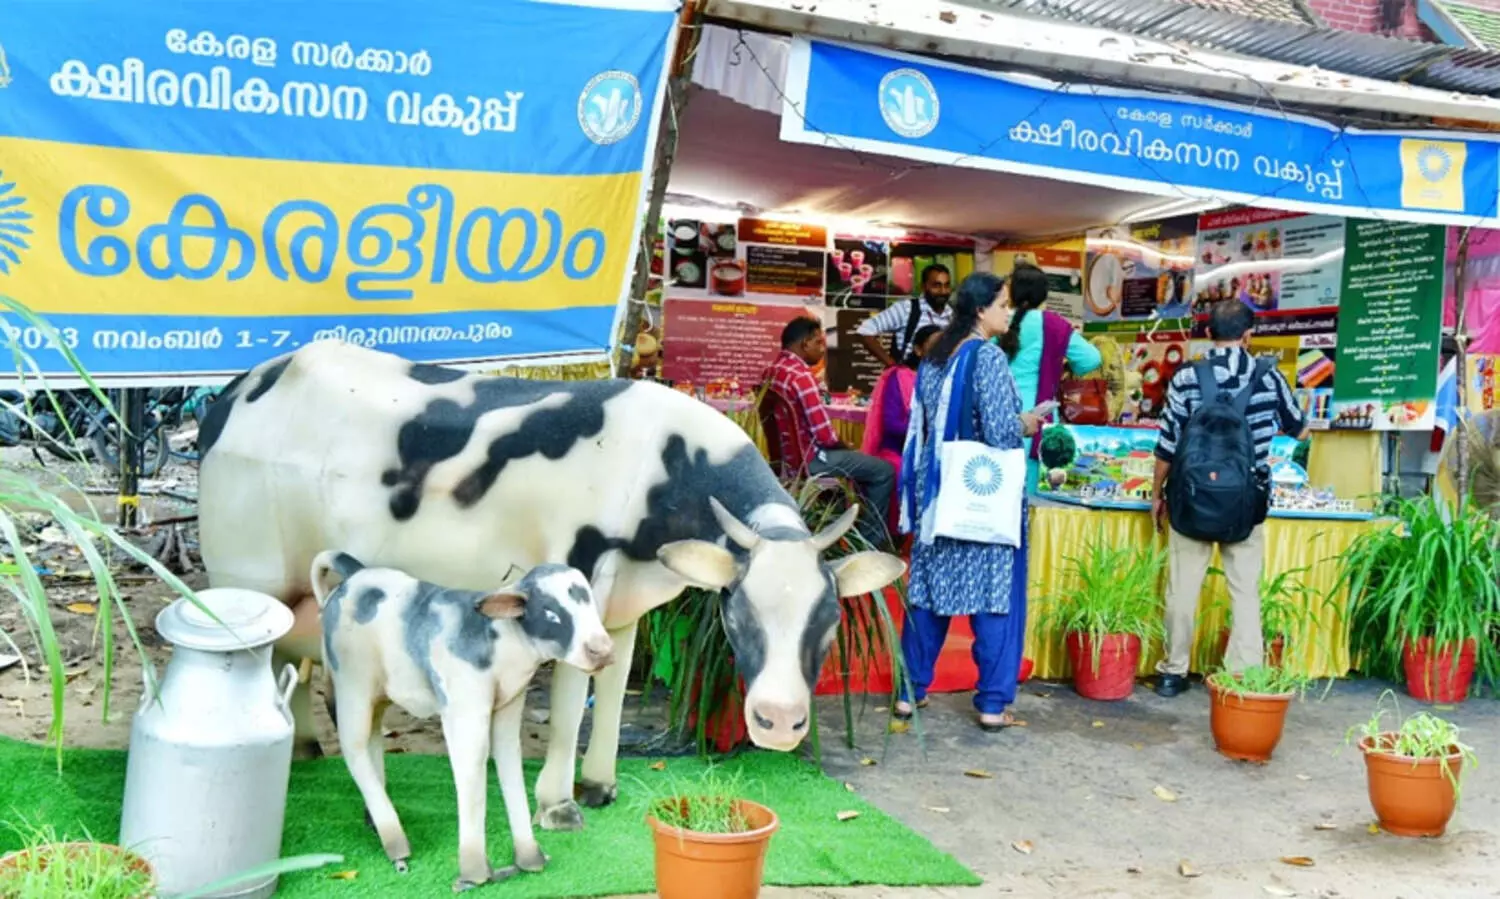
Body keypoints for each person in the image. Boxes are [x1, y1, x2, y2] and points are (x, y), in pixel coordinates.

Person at [893, 272, 1043, 732]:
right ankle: (993, 704)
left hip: (938, 495)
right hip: (980, 497)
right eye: (1002, 303)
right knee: (993, 598)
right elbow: (998, 431)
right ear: (980, 310)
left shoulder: (935, 357)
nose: (1008, 311)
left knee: (929, 596)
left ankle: (908, 693)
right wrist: (1029, 421)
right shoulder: (989, 359)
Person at [1150, 300, 1309, 698]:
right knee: (1245, 589)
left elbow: (1166, 444)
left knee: (1183, 587)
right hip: (1245, 502)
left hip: (1191, 499)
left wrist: (1157, 494)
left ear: (1207, 333)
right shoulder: (1269, 378)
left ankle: (1173, 671)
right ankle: (1242, 676)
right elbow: (1300, 429)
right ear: (1248, 334)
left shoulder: (1187, 377)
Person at [763, 316, 896, 549]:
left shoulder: (772, 371)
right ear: (805, 344)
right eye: (819, 343)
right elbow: (826, 436)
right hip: (812, 460)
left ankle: (837, 527)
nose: (823, 349)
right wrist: (849, 449)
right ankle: (867, 543)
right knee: (882, 470)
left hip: (787, 460)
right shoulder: (802, 376)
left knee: (862, 465)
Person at [997, 261, 1103, 489]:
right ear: (1043, 294)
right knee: (1033, 505)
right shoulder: (1053, 324)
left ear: (1011, 293)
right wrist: (1064, 366)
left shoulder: (997, 321)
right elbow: (1092, 358)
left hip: (999, 419)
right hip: (1039, 422)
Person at [861, 325, 943, 539]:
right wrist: (926, 433)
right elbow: (891, 424)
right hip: (898, 450)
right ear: (918, 350)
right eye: (934, 346)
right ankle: (897, 540)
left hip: (931, 451)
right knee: (905, 474)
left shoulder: (946, 379)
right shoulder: (899, 377)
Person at [855, 264, 953, 369]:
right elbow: (864, 330)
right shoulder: (907, 308)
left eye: (946, 285)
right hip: (907, 381)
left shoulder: (953, 316)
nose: (943, 291)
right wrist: (893, 366)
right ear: (923, 287)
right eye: (936, 286)